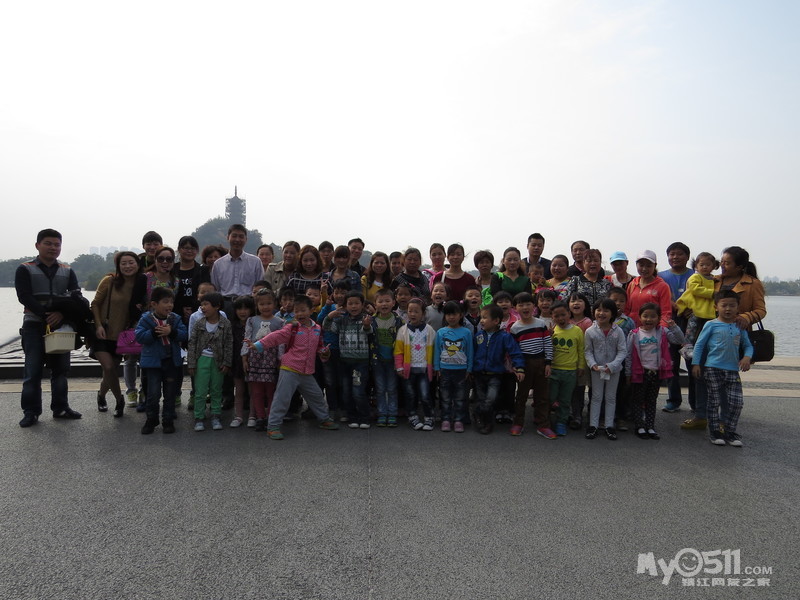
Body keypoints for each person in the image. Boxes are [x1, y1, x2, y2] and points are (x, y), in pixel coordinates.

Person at [247, 295, 339, 441]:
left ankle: (324, 419)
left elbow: (319, 346)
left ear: (311, 310)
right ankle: (273, 426)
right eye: (297, 311)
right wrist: (258, 345)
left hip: (307, 371)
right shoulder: (292, 327)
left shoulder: (317, 328)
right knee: (282, 399)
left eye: (303, 310)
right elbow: (275, 336)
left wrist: (324, 352)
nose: (299, 314)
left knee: (317, 396)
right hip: (289, 369)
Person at [16, 229, 83, 427]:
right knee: (32, 371)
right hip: (33, 325)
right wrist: (46, 315)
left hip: (60, 326)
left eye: (57, 244)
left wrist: (61, 314)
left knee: (60, 370)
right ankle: (31, 412)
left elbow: (76, 296)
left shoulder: (67, 270)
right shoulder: (25, 269)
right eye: (48, 243)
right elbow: (24, 296)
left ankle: (61, 407)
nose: (53, 248)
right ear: (37, 245)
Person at [691, 290, 753, 447]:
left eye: (732, 305)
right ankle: (715, 432)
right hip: (712, 368)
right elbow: (699, 345)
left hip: (732, 370)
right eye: (724, 305)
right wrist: (696, 364)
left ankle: (730, 432)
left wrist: (747, 357)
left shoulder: (739, 326)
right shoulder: (711, 325)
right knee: (714, 401)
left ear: (738, 307)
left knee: (736, 403)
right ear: (716, 307)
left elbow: (748, 345)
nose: (728, 309)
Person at [90, 251, 143, 418]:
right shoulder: (110, 281)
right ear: (118, 266)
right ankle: (120, 400)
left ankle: (101, 395)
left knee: (110, 372)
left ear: (138, 264)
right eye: (123, 263)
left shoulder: (140, 285)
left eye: (131, 262)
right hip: (102, 332)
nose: (127, 266)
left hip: (122, 337)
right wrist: (98, 325)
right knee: (108, 367)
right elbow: (95, 304)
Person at [624, 302, 685, 440]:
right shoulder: (634, 334)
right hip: (640, 372)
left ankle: (650, 426)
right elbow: (628, 355)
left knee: (651, 400)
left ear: (658, 318)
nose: (649, 319)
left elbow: (680, 340)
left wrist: (674, 326)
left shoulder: (662, 332)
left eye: (653, 316)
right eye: (645, 316)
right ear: (640, 317)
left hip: (656, 372)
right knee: (637, 400)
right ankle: (639, 426)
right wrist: (628, 373)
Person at [135, 287, 188, 434]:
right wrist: (153, 332)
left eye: (171, 302)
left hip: (171, 361)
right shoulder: (146, 319)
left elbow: (184, 334)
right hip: (153, 363)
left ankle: (168, 420)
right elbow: (139, 336)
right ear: (154, 304)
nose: (169, 305)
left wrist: (172, 332)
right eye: (165, 302)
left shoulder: (175, 319)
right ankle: (151, 419)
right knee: (153, 393)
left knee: (170, 393)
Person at [472, 303, 525, 435]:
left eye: (485, 317)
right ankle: (482, 420)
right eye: (481, 317)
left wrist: (519, 367)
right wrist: (470, 369)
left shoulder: (504, 336)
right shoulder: (479, 335)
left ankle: (484, 417)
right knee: (480, 398)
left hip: (495, 374)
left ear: (496, 321)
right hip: (479, 373)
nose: (481, 320)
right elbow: (472, 353)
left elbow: (515, 352)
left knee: (491, 398)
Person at [323, 290, 373, 428]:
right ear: (345, 306)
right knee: (346, 392)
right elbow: (327, 327)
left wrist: (367, 325)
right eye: (350, 303)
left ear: (362, 304)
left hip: (360, 364)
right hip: (344, 363)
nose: (353, 306)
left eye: (357, 303)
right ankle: (352, 417)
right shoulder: (341, 320)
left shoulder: (366, 318)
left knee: (358, 391)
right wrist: (330, 316)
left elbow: (369, 331)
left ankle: (364, 417)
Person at [508, 292, 553, 438]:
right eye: (521, 305)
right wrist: (518, 368)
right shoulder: (515, 328)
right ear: (515, 308)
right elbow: (514, 350)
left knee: (542, 396)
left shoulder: (541, 324)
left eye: (528, 304)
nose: (525, 307)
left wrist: (548, 362)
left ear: (534, 306)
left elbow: (547, 344)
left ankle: (543, 424)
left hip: (541, 363)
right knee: (521, 396)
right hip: (524, 364)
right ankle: (518, 423)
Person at [188, 292, 234, 432]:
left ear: (217, 306)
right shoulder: (199, 323)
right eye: (201, 304)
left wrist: (227, 362)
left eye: (206, 304)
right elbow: (192, 343)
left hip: (218, 361)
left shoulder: (225, 323)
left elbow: (229, 344)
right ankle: (199, 417)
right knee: (200, 390)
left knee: (216, 389)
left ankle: (215, 415)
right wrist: (191, 363)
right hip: (201, 359)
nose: (203, 307)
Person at [583, 299, 627, 441]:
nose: (601, 313)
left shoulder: (618, 331)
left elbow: (622, 351)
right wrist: (592, 364)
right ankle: (593, 425)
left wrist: (613, 365)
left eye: (606, 310)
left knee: (610, 397)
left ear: (612, 314)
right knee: (596, 397)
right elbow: (588, 351)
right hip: (597, 370)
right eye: (598, 310)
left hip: (614, 370)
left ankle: (609, 426)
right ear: (593, 312)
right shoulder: (590, 331)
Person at [659, 242, 694, 414]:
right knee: (671, 364)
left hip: (691, 325)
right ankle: (673, 400)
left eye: (679, 254)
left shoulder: (695, 275)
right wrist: (676, 306)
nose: (675, 257)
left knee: (693, 363)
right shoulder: (661, 276)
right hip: (669, 323)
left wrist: (693, 309)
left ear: (687, 257)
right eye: (672, 254)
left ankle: (696, 402)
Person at [243, 289, 284, 429]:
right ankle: (260, 417)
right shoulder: (251, 320)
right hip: (255, 359)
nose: (265, 307)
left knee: (271, 391)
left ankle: (271, 418)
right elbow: (247, 339)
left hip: (271, 360)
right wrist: (244, 358)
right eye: (262, 304)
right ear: (257, 305)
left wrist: (280, 359)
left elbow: (281, 342)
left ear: (275, 304)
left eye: (269, 303)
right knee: (257, 391)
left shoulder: (280, 322)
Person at [394, 298, 436, 431]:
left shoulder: (429, 330)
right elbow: (398, 351)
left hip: (424, 370)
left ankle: (429, 417)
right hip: (408, 370)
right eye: (410, 311)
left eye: (416, 311)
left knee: (425, 395)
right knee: (410, 395)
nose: (413, 314)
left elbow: (435, 350)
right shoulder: (403, 330)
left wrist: (435, 367)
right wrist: (399, 367)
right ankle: (412, 416)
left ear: (423, 313)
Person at [434, 301, 474, 433]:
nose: (451, 317)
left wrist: (469, 368)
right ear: (445, 316)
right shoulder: (440, 332)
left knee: (460, 397)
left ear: (460, 315)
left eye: (454, 314)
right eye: (448, 314)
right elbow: (437, 351)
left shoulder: (466, 332)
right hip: (444, 370)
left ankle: (458, 420)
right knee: (445, 397)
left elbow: (470, 351)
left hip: (461, 370)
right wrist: (437, 367)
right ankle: (445, 419)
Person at [548, 301, 585, 437]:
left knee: (565, 400)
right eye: (556, 316)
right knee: (550, 397)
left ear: (569, 314)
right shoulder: (552, 331)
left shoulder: (577, 331)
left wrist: (581, 366)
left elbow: (581, 350)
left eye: (563, 314)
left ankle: (561, 422)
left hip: (570, 372)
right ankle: (545, 420)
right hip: (553, 370)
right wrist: (548, 336)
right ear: (552, 317)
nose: (560, 318)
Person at [370, 288, 403, 427]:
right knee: (380, 388)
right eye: (380, 301)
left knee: (391, 388)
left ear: (393, 303)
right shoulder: (372, 321)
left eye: (387, 301)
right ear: (375, 304)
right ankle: (382, 413)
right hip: (377, 360)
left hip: (393, 361)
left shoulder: (398, 320)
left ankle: (392, 413)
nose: (384, 304)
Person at [676, 252, 720, 356]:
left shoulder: (714, 278)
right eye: (701, 265)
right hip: (695, 307)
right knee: (692, 327)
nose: (704, 267)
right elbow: (695, 289)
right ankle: (687, 346)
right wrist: (711, 293)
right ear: (696, 266)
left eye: (708, 265)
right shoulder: (695, 277)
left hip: (707, 308)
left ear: (713, 266)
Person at [211, 225, 265, 309]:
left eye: (241, 237)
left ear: (246, 239)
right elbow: (215, 288)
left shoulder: (255, 262)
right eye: (234, 236)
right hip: (225, 304)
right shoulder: (218, 264)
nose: (237, 240)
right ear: (228, 237)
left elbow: (260, 285)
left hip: (248, 304)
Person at [625, 250, 672, 327]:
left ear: (655, 266)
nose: (644, 269)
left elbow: (665, 313)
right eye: (641, 265)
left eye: (648, 266)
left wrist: (661, 330)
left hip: (652, 330)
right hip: (632, 329)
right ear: (636, 265)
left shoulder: (662, 286)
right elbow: (626, 309)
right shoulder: (632, 284)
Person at [229, 295, 255, 428]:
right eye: (239, 308)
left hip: (253, 362)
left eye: (246, 308)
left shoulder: (255, 324)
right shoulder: (233, 326)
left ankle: (252, 415)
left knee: (252, 391)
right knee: (238, 391)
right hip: (237, 362)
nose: (242, 312)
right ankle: (238, 416)